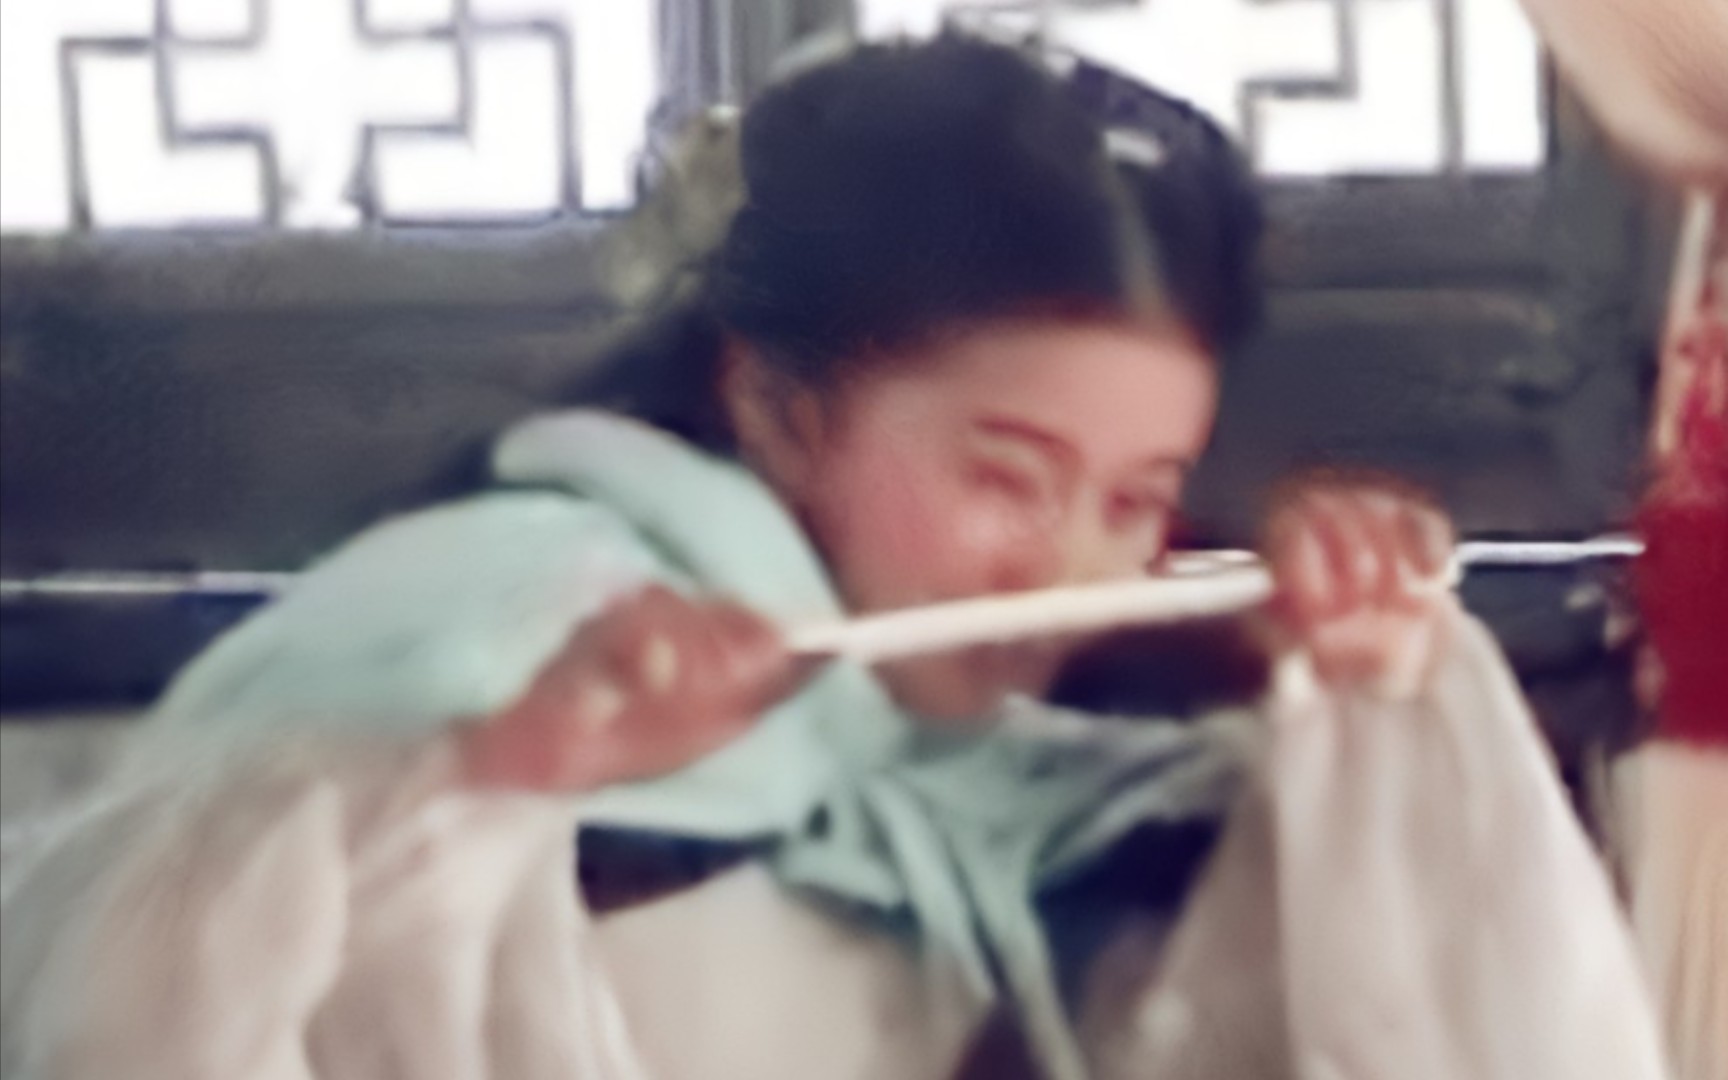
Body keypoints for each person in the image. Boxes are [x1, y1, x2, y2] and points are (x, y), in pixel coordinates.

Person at [0, 35, 1664, 1080]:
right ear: (776, 405)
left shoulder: (938, 744)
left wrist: (1368, 713)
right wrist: (499, 771)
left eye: (1135, 498)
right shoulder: (504, 626)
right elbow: (115, 1002)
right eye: (1007, 478)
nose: (1063, 569)